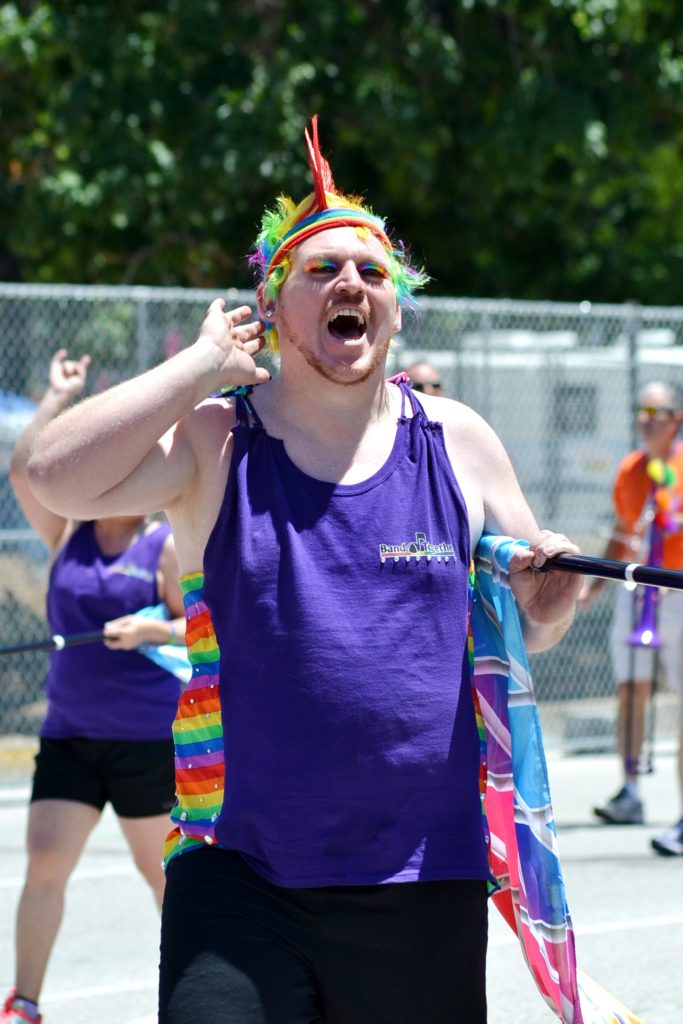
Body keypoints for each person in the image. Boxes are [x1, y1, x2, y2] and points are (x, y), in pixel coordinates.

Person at [27, 118, 582, 1024]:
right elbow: (51, 474)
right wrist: (199, 366)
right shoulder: (215, 436)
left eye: (370, 273)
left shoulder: (460, 441)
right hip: (238, 872)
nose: (349, 285)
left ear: (396, 310)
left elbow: (536, 626)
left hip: (423, 876)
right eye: (319, 271)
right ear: (273, 307)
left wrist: (550, 596)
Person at [2, 350, 186, 1024]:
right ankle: (24, 1002)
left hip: (146, 742)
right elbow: (25, 470)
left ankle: (194, 995)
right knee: (45, 865)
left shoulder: (163, 543)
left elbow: (203, 627)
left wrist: (152, 631)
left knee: (166, 879)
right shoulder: (68, 531)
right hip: (70, 737)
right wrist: (55, 398)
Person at [581, 381, 683, 855]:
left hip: (678, 591)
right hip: (638, 590)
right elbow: (623, 535)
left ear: (676, 418)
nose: (647, 419)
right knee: (630, 689)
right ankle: (630, 790)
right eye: (641, 411)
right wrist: (595, 585)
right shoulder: (630, 470)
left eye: (657, 411)